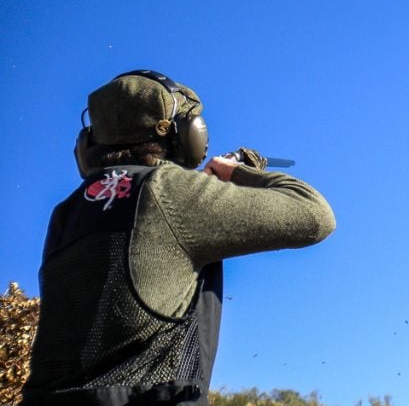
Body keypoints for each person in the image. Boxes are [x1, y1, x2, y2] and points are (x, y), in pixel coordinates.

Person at [21, 70, 336, 406]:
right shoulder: (169, 191)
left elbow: (147, 234)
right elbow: (315, 216)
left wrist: (202, 189)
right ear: (187, 135)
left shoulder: (66, 213)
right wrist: (241, 173)